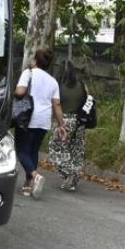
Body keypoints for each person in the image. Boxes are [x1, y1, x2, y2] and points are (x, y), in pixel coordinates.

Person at [14, 49, 65, 197]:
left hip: (28, 117)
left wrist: (15, 91)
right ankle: (28, 185)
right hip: (44, 120)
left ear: (35, 61)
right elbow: (57, 105)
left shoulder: (28, 73)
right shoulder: (53, 81)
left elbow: (20, 92)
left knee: (22, 151)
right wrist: (61, 125)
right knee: (33, 151)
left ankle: (35, 176)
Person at [50, 60, 90, 191]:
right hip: (79, 122)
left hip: (64, 121)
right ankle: (73, 181)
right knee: (76, 150)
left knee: (56, 149)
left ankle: (68, 173)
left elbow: (56, 105)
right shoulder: (82, 85)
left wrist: (60, 123)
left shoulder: (58, 86)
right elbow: (88, 100)